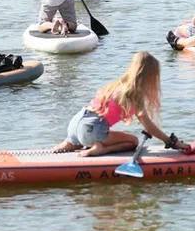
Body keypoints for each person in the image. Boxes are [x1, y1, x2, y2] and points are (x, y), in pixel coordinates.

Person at [53, 51, 188, 157]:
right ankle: (101, 149)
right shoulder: (134, 93)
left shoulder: (116, 85)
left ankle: (70, 143)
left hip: (76, 123)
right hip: (93, 128)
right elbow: (148, 125)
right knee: (133, 141)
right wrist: (171, 142)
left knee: (87, 137)